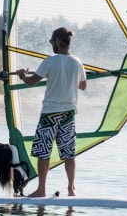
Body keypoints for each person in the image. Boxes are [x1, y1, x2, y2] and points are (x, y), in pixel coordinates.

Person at [16, 27, 87, 197]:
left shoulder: (50, 61)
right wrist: (69, 77)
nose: (51, 45)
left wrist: (22, 75)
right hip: (68, 115)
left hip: (50, 114)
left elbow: (31, 81)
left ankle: (41, 190)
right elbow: (83, 86)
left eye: (52, 41)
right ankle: (71, 189)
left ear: (58, 41)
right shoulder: (78, 63)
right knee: (69, 154)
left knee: (43, 152)